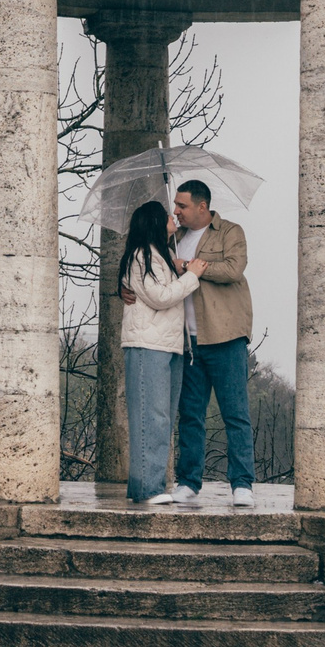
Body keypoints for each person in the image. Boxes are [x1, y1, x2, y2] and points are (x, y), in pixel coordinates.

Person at [169, 179, 256, 508]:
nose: (176, 211)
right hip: (187, 341)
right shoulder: (174, 239)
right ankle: (188, 481)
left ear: (202, 207)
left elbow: (234, 270)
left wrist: (193, 268)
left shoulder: (230, 232)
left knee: (235, 413)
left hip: (225, 336)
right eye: (176, 205)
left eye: (182, 206)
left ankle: (242, 483)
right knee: (190, 414)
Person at [114, 199, 206, 505]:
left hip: (169, 345)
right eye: (167, 214)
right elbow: (161, 297)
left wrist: (180, 266)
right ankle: (148, 488)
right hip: (147, 345)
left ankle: (149, 485)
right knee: (149, 417)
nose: (173, 217)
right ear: (153, 221)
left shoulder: (163, 254)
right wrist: (191, 275)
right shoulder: (140, 256)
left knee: (162, 418)